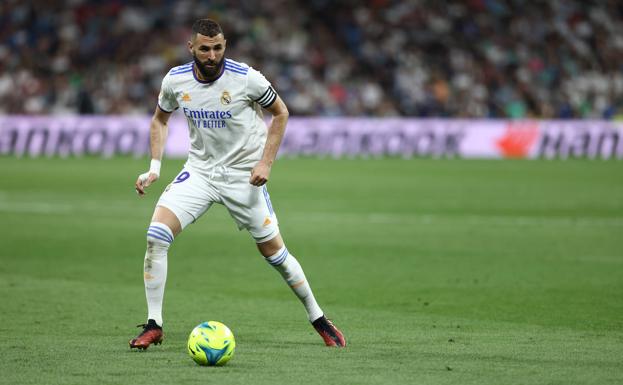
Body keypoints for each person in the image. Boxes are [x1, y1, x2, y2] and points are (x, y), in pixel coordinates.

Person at [129, 18, 345, 349]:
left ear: (224, 46)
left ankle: (318, 318)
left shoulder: (246, 79)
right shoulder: (175, 80)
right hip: (200, 172)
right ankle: (154, 324)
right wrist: (154, 166)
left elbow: (281, 113)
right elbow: (160, 119)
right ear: (191, 48)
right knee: (156, 236)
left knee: (275, 254)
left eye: (218, 48)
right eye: (205, 48)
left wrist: (265, 163)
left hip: (243, 176)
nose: (212, 54)